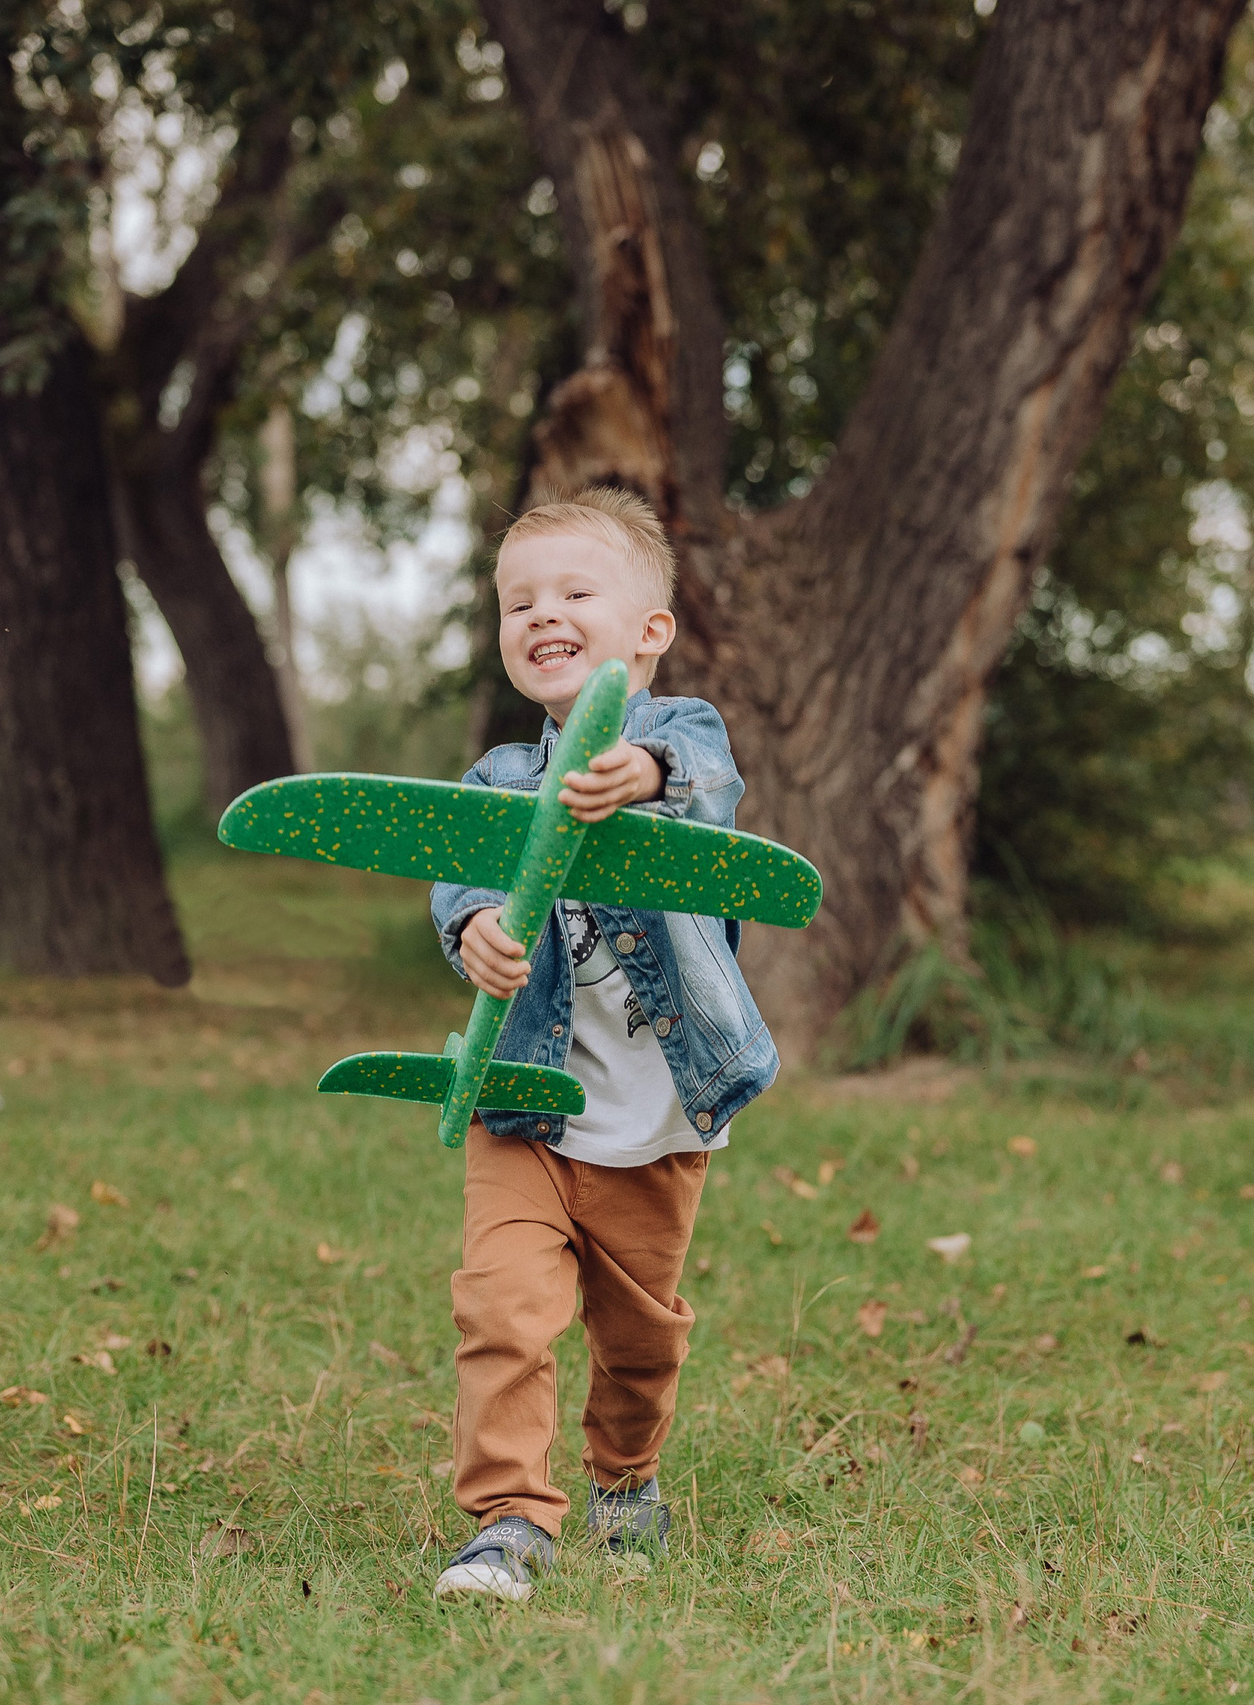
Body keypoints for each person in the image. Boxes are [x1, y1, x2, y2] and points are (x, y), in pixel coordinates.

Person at [426, 487, 779, 1602]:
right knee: (502, 1306)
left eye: (576, 592)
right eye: (517, 600)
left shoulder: (681, 740)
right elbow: (461, 873)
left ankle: (624, 1476)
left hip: (659, 1116)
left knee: (638, 1340)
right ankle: (509, 1520)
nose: (543, 614)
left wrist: (646, 778)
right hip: (525, 1104)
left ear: (648, 632)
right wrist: (475, 926)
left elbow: (708, 782)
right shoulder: (495, 779)